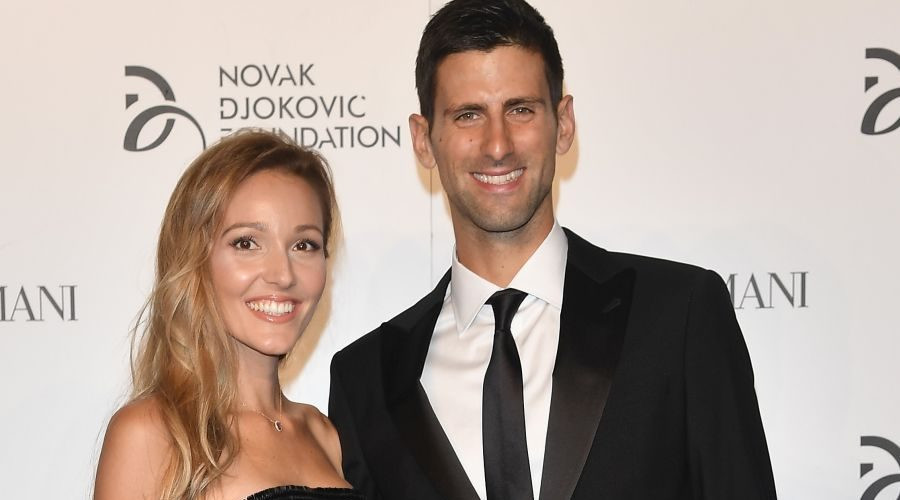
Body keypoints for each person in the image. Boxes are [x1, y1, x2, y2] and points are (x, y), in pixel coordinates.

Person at [328, 1, 778, 499]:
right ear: (423, 140)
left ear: (563, 124)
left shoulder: (679, 315)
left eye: (520, 110)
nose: (497, 145)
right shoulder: (365, 380)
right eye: (468, 115)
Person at [95, 131, 364, 500]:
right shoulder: (152, 433)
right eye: (247, 243)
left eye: (304, 245)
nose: (282, 274)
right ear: (195, 259)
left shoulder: (323, 433)